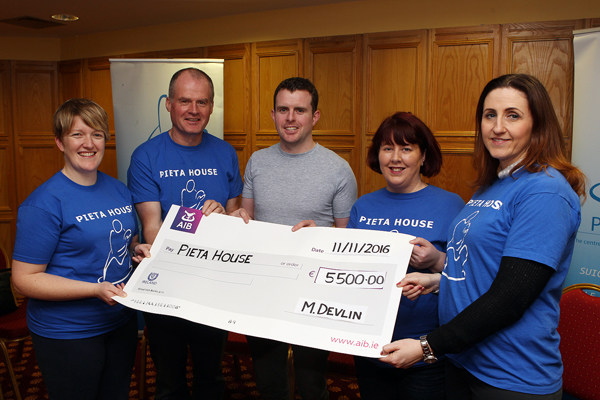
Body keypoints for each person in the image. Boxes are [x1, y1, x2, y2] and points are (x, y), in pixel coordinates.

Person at [382, 74, 586, 399]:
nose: (497, 127)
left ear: (538, 125)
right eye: (490, 115)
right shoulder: (497, 184)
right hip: (465, 360)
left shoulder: (545, 191)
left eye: (513, 115)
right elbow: (484, 266)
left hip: (510, 374)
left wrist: (426, 345)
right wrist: (440, 280)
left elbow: (511, 297)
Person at [11, 98, 151, 400]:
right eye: (77, 134)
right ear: (60, 142)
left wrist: (137, 248)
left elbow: (125, 242)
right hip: (67, 331)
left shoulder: (118, 189)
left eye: (97, 134)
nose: (88, 143)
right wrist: (93, 289)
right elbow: (24, 279)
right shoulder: (44, 203)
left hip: (120, 322)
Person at [232, 77, 357, 400]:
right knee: (269, 383)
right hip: (262, 288)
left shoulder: (338, 169)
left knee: (312, 384)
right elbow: (247, 222)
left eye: (299, 110)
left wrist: (321, 237)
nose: (290, 118)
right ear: (273, 114)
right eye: (283, 110)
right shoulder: (257, 161)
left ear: (315, 116)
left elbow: (347, 240)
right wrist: (235, 221)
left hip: (314, 291)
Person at [127, 67, 243, 399]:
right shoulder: (146, 156)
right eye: (185, 101)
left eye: (202, 102)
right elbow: (153, 229)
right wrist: (200, 224)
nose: (194, 110)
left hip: (214, 282)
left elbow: (236, 220)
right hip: (166, 285)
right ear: (168, 104)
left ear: (211, 106)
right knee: (169, 382)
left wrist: (224, 217)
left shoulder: (225, 153)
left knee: (212, 377)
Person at [347, 112, 464, 400]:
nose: (395, 158)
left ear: (423, 156)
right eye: (388, 148)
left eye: (406, 148)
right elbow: (346, 266)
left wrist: (437, 260)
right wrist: (316, 239)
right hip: (370, 343)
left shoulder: (451, 205)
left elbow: (468, 274)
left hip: (426, 348)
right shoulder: (363, 206)